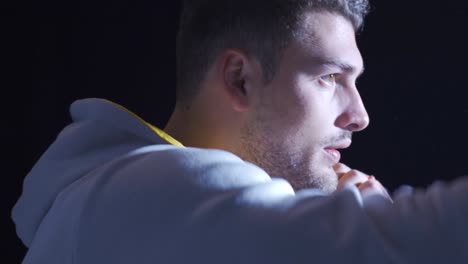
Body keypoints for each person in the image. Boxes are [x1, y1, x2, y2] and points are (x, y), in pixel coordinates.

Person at [12, 0, 468, 263]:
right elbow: (423, 240)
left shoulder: (127, 216)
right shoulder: (150, 189)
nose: (359, 115)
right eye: (329, 78)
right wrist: (368, 220)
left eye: (355, 82)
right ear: (239, 79)